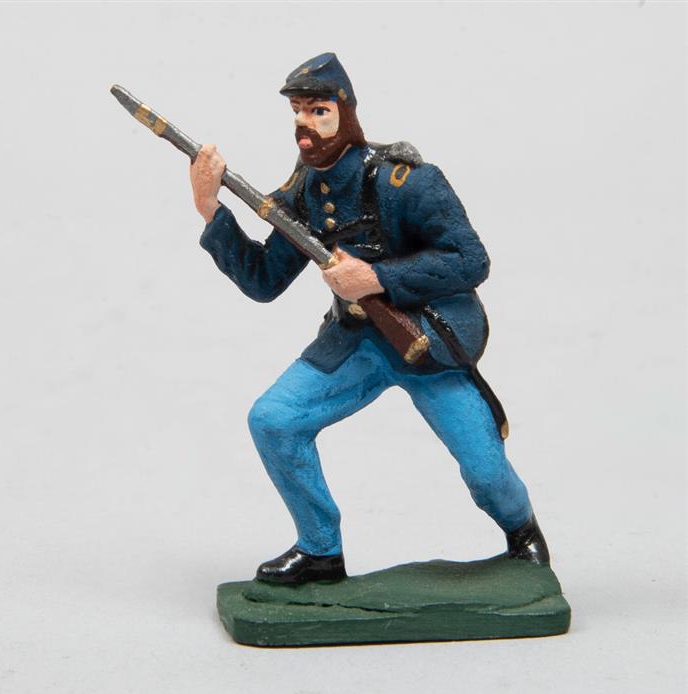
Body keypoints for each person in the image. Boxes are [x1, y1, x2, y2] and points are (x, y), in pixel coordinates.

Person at [190, 53, 549, 584]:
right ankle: (320, 550)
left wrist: (378, 277)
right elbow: (264, 281)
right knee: (274, 420)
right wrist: (211, 211)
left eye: (319, 111)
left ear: (347, 113)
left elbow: (471, 261)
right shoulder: (306, 191)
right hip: (356, 339)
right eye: (298, 112)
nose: (305, 124)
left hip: (427, 342)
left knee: (485, 470)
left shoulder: (406, 182)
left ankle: (523, 535)